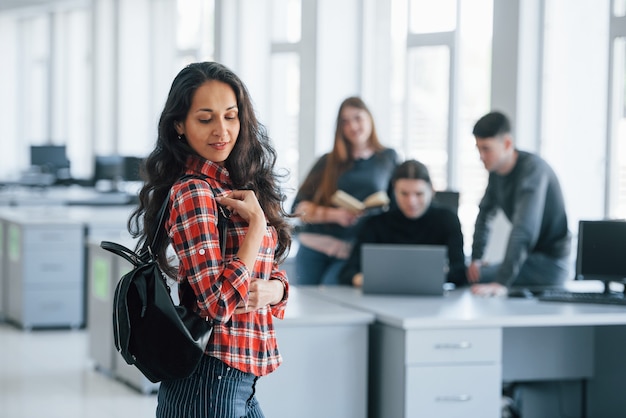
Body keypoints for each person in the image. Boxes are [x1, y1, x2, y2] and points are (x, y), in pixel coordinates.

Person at [128, 61, 291, 418]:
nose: (222, 130)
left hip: (238, 380)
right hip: (210, 377)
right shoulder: (194, 193)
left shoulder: (236, 186)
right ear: (179, 126)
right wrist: (257, 229)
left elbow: (271, 273)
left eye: (230, 116)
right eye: (205, 119)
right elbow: (217, 304)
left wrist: (274, 291)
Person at [292, 96, 398, 285]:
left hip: (352, 251)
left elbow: (396, 206)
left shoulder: (388, 158)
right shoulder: (327, 161)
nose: (353, 126)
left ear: (369, 118)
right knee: (307, 306)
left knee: (334, 304)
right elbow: (297, 209)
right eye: (345, 121)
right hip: (314, 247)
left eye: (357, 118)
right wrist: (336, 215)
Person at [468, 111, 571, 297]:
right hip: (528, 260)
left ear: (507, 143)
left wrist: (501, 282)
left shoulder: (533, 170)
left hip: (551, 264)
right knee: (472, 273)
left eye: (486, 148)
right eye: (478, 149)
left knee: (474, 277)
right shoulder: (496, 172)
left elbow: (523, 229)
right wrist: (476, 259)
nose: (481, 156)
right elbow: (484, 215)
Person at [338, 159, 467, 287]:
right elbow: (348, 272)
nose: (411, 201)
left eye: (419, 194)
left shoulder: (447, 220)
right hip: (384, 299)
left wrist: (432, 278)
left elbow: (459, 272)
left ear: (431, 190)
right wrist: (369, 280)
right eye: (404, 194)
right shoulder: (375, 224)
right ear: (394, 191)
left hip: (432, 301)